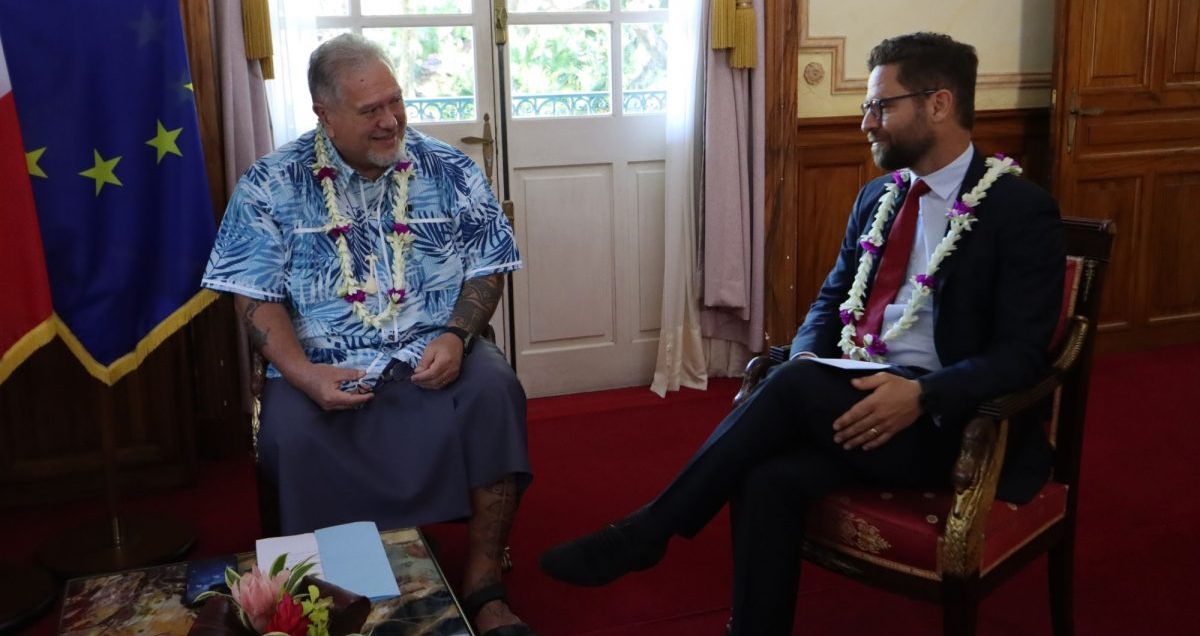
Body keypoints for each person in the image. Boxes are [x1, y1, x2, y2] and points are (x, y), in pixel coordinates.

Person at [539, 32, 1064, 635]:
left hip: (950, 424)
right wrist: (815, 360)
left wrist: (922, 395)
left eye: (882, 105)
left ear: (938, 104)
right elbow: (831, 301)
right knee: (768, 476)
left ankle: (648, 532)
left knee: (792, 382)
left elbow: (1022, 357)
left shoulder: (1019, 212)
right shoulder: (879, 198)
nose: (867, 121)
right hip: (855, 396)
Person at [201, 34, 534, 636]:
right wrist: (302, 374)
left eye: (395, 102)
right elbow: (252, 297)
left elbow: (488, 266)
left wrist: (459, 336)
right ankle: (320, 600)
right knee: (291, 432)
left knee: (495, 390)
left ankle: (484, 586)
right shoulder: (269, 184)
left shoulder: (450, 168)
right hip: (324, 363)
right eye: (370, 110)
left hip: (435, 351)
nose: (390, 121)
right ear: (323, 114)